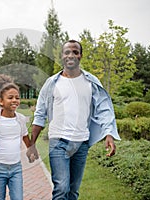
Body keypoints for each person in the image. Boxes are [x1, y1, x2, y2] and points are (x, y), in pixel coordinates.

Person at [26, 39, 121, 200]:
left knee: (73, 191)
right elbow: (40, 114)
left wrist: (109, 134)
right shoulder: (51, 84)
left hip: (81, 143)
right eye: (67, 52)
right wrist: (32, 144)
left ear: (80, 56)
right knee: (62, 188)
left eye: (75, 52)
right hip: (58, 142)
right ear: (62, 56)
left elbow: (104, 110)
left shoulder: (91, 83)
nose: (71, 55)